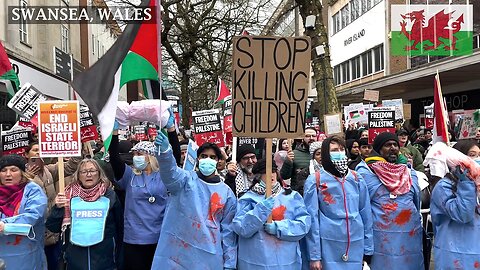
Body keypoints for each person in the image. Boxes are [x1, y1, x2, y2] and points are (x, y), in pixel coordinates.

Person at [151, 132, 237, 269]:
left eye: (212, 157)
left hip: (209, 256)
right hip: (177, 253)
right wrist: (166, 153)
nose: (207, 160)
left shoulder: (227, 194)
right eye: (204, 156)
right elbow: (170, 173)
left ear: (218, 161)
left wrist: (229, 263)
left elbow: (228, 232)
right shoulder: (184, 180)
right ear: (197, 159)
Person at [356, 132, 424, 270]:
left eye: (395, 145)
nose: (393, 148)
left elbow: (417, 202)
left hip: (409, 234)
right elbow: (362, 208)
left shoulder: (409, 173)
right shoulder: (365, 174)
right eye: (387, 145)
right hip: (382, 237)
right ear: (378, 149)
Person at [304, 136, 373, 270]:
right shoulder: (315, 181)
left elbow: (366, 214)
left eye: (342, 149)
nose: (339, 153)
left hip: (355, 243)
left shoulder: (356, 178)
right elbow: (312, 219)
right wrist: (314, 256)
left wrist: (368, 249)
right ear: (325, 154)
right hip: (328, 245)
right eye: (334, 150)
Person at [109, 125, 169, 270]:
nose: (136, 157)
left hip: (159, 237)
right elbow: (115, 159)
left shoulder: (164, 176)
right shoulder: (130, 175)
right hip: (134, 239)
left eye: (139, 154)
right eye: (134, 154)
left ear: (150, 156)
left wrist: (170, 130)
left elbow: (175, 159)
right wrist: (114, 133)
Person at [232, 158, 311, 269]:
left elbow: (304, 225)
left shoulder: (292, 197)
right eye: (265, 172)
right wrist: (260, 211)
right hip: (254, 261)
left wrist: (279, 227)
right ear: (258, 176)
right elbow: (241, 228)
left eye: (273, 171)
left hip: (285, 261)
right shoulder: (247, 198)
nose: (271, 175)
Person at [46, 159, 123, 270]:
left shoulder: (109, 195)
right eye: (84, 172)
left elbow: (119, 227)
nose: (88, 175)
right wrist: (58, 208)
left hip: (104, 259)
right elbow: (52, 227)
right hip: (75, 259)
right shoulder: (68, 196)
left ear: (99, 173)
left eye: (92, 171)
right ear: (78, 175)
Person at [23, 141, 83, 270]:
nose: (38, 152)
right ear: (27, 154)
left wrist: (78, 145)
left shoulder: (49, 170)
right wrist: (29, 177)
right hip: (34, 233)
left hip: (52, 230)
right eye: (35, 150)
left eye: (41, 149)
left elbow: (71, 166)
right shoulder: (21, 176)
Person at [429, 140, 480, 269]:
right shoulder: (443, 187)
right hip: (455, 256)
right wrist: (466, 182)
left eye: (479, 155)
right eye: (472, 155)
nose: (477, 159)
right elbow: (463, 214)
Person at [0, 154, 48, 269]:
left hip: (26, 254)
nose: (8, 174)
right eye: (3, 170)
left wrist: (4, 225)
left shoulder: (33, 190)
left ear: (22, 172)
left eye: (13, 170)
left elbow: (33, 215)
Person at [281, 127, 318, 195]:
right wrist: (288, 161)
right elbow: (285, 176)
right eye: (307, 136)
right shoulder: (293, 154)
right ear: (302, 138)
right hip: (299, 194)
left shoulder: (323, 154)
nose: (311, 138)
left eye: (313, 136)